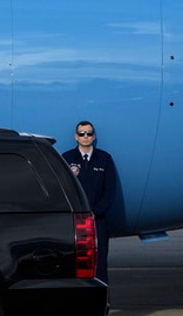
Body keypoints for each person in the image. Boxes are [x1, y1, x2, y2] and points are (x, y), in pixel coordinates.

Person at [62, 120, 118, 283]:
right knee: (76, 264)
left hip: (97, 221)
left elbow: (110, 191)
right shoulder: (67, 158)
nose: (85, 137)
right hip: (75, 222)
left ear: (94, 137)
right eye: (82, 134)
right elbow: (64, 189)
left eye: (89, 133)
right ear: (76, 137)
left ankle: (102, 301)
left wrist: (96, 212)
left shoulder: (104, 159)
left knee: (99, 263)